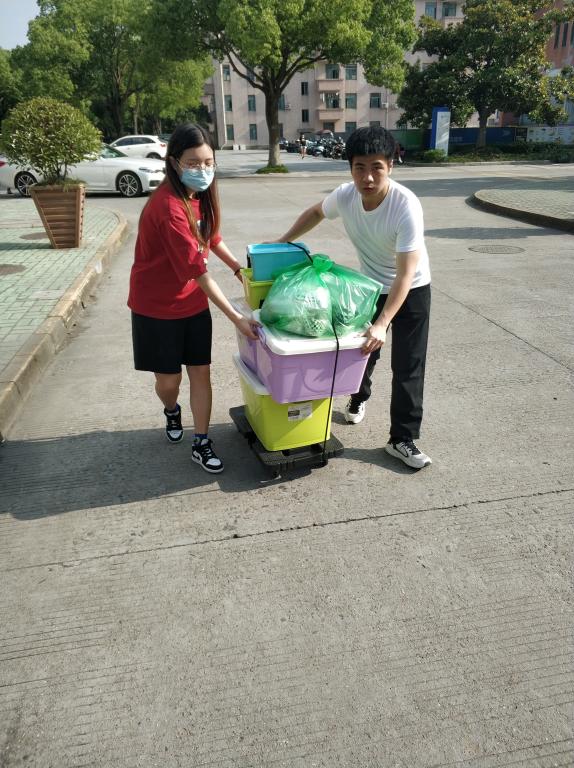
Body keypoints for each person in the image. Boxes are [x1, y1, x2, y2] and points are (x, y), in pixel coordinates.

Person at [271, 125, 432, 469]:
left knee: (408, 364)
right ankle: (359, 398)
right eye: (360, 167)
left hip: (412, 289)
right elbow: (316, 212)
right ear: (350, 168)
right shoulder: (345, 196)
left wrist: (383, 323)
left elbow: (405, 274)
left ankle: (402, 439)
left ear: (391, 166)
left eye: (377, 167)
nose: (368, 177)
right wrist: (283, 241)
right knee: (362, 352)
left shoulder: (406, 205)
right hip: (369, 287)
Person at [128, 123, 259, 474]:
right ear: (174, 162)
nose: (203, 170)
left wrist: (239, 269)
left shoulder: (196, 195)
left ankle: (201, 441)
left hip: (192, 304)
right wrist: (238, 319)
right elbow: (200, 274)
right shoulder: (168, 208)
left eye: (208, 162)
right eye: (193, 163)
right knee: (169, 382)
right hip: (156, 309)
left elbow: (211, 237)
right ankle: (171, 410)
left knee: (201, 372)